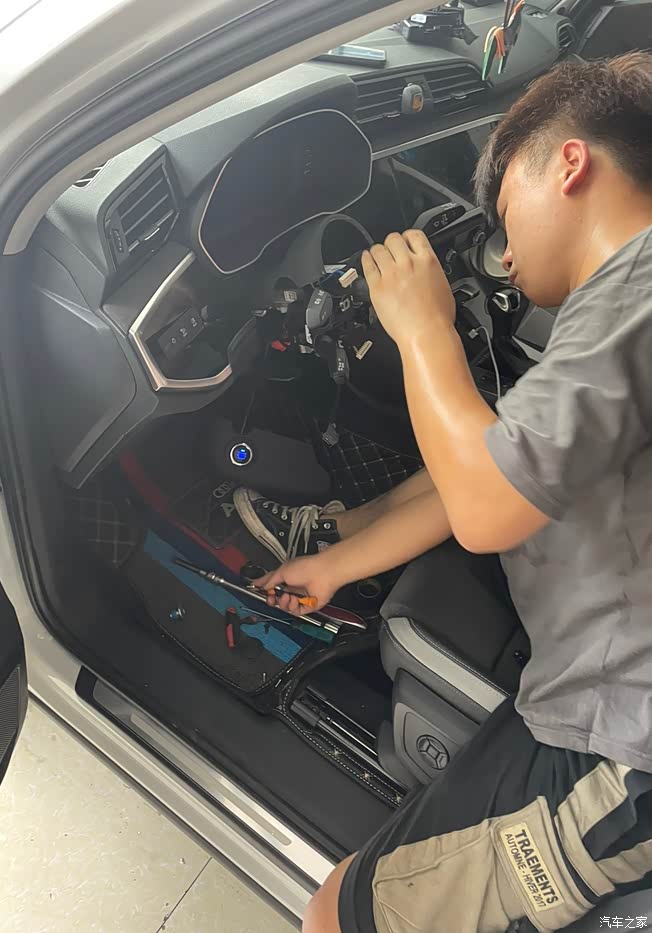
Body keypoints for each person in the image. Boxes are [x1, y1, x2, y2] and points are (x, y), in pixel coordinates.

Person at [234, 52, 652, 933]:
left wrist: (423, 329)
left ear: (569, 164)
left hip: (619, 743)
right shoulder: (622, 302)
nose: (506, 252)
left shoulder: (636, 290)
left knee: (337, 914)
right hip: (605, 690)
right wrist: (337, 560)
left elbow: (487, 503)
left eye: (505, 215)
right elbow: (493, 464)